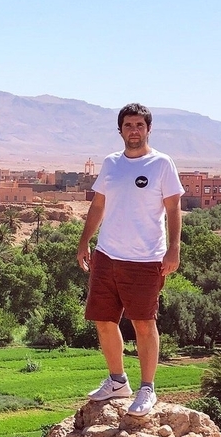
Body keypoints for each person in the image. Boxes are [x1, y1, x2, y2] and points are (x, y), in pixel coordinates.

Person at [76, 103, 184, 416]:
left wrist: (174, 248)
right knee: (103, 320)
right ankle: (117, 381)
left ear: (148, 129)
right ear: (120, 130)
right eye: (128, 125)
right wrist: (84, 242)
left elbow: (174, 208)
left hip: (145, 259)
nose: (133, 131)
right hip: (107, 255)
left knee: (144, 324)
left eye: (139, 125)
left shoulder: (161, 163)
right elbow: (98, 205)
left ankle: (147, 388)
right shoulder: (111, 163)